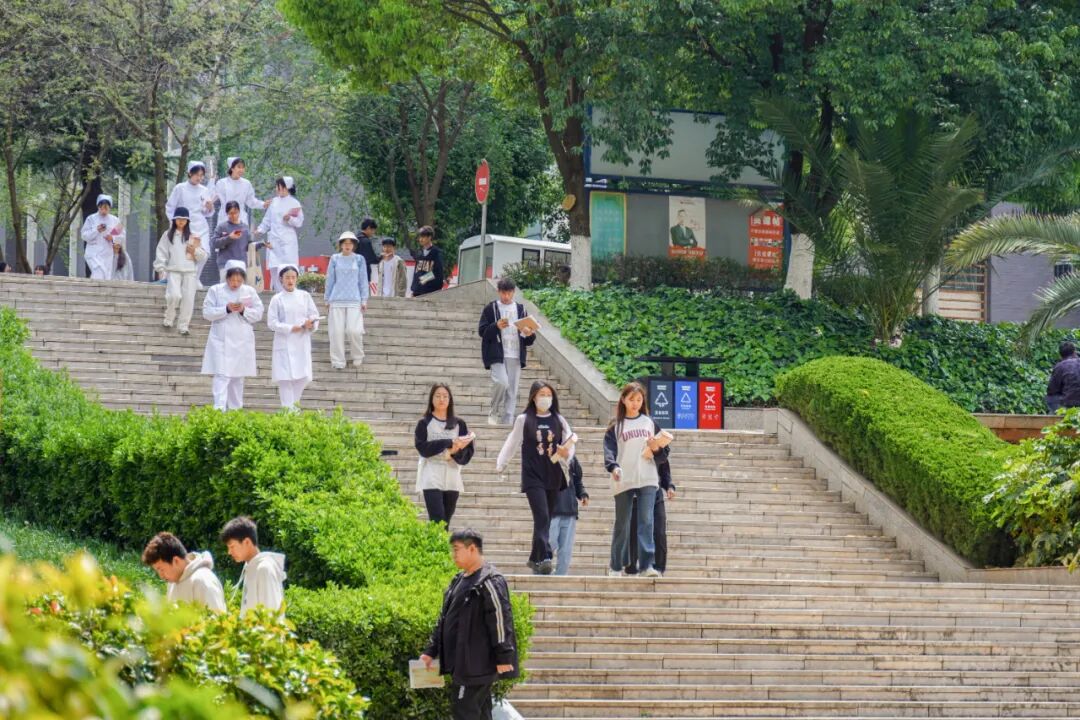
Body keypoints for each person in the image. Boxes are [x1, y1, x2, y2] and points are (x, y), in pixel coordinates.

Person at [420, 529, 517, 720]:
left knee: (464, 712)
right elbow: (444, 619)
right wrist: (431, 651)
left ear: (472, 549)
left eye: (457, 549)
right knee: (480, 714)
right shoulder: (458, 580)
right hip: (462, 664)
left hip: (476, 666)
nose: (453, 555)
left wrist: (504, 656)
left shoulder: (489, 580)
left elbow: (500, 618)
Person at [495, 381, 576, 575]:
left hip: (553, 475)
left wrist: (567, 454)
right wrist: (501, 462)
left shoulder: (559, 419)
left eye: (548, 394)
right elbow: (512, 441)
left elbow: (570, 441)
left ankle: (534, 558)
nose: (545, 398)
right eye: (541, 394)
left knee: (545, 518)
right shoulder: (524, 419)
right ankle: (546, 556)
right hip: (532, 475)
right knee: (541, 515)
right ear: (533, 397)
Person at [604, 381, 670, 578]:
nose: (635, 403)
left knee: (646, 521)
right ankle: (616, 566)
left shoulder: (650, 423)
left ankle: (647, 565)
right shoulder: (616, 426)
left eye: (639, 400)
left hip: (648, 478)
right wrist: (613, 467)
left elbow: (664, 454)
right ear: (623, 400)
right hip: (624, 478)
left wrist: (656, 448)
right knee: (622, 523)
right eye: (632, 399)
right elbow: (609, 451)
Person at [202, 259, 264, 410]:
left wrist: (244, 310)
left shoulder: (249, 291)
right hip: (221, 340)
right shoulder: (215, 290)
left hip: (242, 339)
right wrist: (226, 309)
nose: (235, 283)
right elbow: (207, 313)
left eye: (239, 280)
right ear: (227, 277)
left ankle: (236, 411)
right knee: (221, 375)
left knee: (238, 377)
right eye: (232, 280)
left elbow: (258, 314)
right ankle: (219, 410)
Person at [415, 384, 476, 526]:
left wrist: (455, 451)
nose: (441, 399)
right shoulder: (424, 423)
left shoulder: (459, 424)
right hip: (431, 475)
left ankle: (439, 542)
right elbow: (423, 448)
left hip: (452, 477)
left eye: (445, 396)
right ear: (431, 399)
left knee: (445, 522)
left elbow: (467, 454)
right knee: (437, 519)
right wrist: (448, 442)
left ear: (450, 399)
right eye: (437, 396)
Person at [478, 278, 536, 426]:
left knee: (512, 391)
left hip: (515, 354)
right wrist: (496, 326)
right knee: (502, 382)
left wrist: (528, 333)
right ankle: (494, 411)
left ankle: (507, 422)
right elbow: (482, 331)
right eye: (503, 293)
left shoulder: (521, 309)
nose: (506, 296)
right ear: (499, 292)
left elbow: (529, 339)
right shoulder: (491, 308)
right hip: (497, 354)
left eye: (509, 293)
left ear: (513, 292)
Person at [267, 265, 319, 410]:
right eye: (287, 277)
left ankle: (292, 410)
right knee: (285, 380)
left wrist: (311, 323)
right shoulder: (277, 299)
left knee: (302, 378)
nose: (290, 280)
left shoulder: (304, 296)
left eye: (293, 277)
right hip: (284, 341)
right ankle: (288, 412)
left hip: (301, 341)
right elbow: (272, 322)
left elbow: (314, 315)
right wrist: (290, 328)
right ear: (281, 279)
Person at [141, 531, 226, 612]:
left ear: (176, 561)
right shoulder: (173, 582)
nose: (161, 576)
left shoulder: (203, 580)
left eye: (161, 569)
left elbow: (217, 619)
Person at [153, 207, 207, 335]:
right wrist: (161, 268)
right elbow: (161, 251)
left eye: (184, 219)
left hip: (190, 272)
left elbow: (203, 256)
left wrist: (194, 251)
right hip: (173, 270)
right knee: (174, 295)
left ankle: (183, 325)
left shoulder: (193, 236)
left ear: (187, 221)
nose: (181, 221)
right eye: (179, 219)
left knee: (188, 300)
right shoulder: (168, 235)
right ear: (174, 220)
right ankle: (169, 317)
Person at [220, 516, 286, 616]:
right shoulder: (251, 567)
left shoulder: (265, 569)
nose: (229, 552)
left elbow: (271, 615)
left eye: (232, 546)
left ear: (247, 542)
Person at [165, 161, 216, 285]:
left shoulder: (204, 190)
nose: (199, 178)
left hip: (201, 226)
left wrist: (210, 208)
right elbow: (170, 207)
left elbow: (207, 213)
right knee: (187, 254)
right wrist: (175, 224)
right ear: (190, 173)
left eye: (201, 175)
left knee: (204, 254)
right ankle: (186, 280)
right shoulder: (180, 188)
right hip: (185, 225)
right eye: (197, 175)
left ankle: (194, 278)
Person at [325, 231, 368, 370]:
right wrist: (327, 299)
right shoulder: (334, 258)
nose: (348, 245)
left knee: (354, 331)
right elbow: (330, 279)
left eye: (350, 243)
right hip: (336, 300)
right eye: (345, 243)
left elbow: (363, 281)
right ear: (341, 245)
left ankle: (357, 355)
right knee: (336, 332)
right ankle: (338, 360)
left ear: (354, 245)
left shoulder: (359, 259)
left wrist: (364, 300)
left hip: (354, 300)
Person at [626, 455, 676, 576]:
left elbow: (664, 467)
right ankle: (632, 567)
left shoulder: (657, 445)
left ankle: (658, 568)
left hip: (655, 491)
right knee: (634, 530)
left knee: (659, 531)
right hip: (637, 491)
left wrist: (669, 486)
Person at [256, 177, 304, 292]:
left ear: (287, 187)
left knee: (288, 268)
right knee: (275, 268)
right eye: (277, 186)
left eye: (280, 186)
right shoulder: (274, 202)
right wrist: (260, 229)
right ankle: (279, 293)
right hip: (274, 240)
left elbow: (299, 222)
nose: (278, 189)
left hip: (288, 240)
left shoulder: (294, 203)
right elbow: (267, 220)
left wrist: (290, 219)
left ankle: (290, 293)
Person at [549, 456, 588, 576]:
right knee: (549, 544)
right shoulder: (547, 452)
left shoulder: (572, 458)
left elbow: (577, 481)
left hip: (570, 510)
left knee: (566, 551)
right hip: (552, 510)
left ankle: (560, 579)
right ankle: (540, 575)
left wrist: (583, 494)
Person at [79, 194, 125, 280]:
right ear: (98, 207)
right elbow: (84, 235)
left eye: (106, 208)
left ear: (109, 208)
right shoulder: (91, 219)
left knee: (106, 277)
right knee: (98, 272)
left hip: (107, 255)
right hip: (93, 253)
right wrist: (96, 230)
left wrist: (112, 238)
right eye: (102, 207)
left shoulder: (115, 220)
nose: (104, 210)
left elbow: (122, 236)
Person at [213, 200, 256, 282]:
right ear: (227, 213)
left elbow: (249, 245)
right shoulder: (222, 227)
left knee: (240, 288)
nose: (233, 216)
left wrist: (261, 244)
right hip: (225, 265)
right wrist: (229, 237)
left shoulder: (245, 227)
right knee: (225, 287)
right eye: (230, 213)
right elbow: (214, 243)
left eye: (235, 213)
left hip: (241, 265)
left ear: (239, 212)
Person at [213, 157, 263, 227]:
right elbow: (213, 197)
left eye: (243, 167)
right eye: (239, 167)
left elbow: (251, 201)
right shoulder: (221, 183)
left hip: (241, 219)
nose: (241, 170)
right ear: (232, 168)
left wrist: (263, 204)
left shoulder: (246, 183)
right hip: (225, 218)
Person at [1047, 341, 1080, 412]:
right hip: (1072, 401)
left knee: (1050, 397)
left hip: (1068, 404)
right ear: (1074, 352)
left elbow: (1051, 390)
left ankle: (1056, 415)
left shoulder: (1060, 366)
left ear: (1060, 355)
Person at [411, 226, 444, 297]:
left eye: (423, 237)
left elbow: (438, 273)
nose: (420, 239)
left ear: (429, 237)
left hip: (431, 293)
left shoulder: (436, 253)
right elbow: (416, 274)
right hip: (417, 293)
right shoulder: (419, 254)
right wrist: (414, 290)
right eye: (420, 237)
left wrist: (423, 279)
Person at [356, 217, 382, 286]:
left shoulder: (354, 240)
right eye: (373, 230)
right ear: (368, 228)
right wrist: (381, 257)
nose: (373, 233)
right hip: (364, 274)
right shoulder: (366, 241)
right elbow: (372, 259)